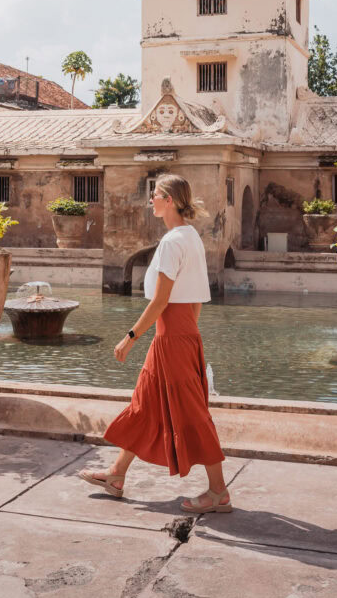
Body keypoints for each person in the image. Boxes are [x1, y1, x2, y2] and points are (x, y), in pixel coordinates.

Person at [77, 173, 231, 514]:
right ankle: (116, 475)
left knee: (193, 415)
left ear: (171, 201)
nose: (152, 201)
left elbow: (160, 302)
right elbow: (195, 301)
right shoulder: (190, 237)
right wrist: (182, 336)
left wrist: (129, 337)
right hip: (181, 336)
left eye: (156, 195)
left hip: (172, 339)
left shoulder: (172, 243)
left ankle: (219, 492)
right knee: (144, 405)